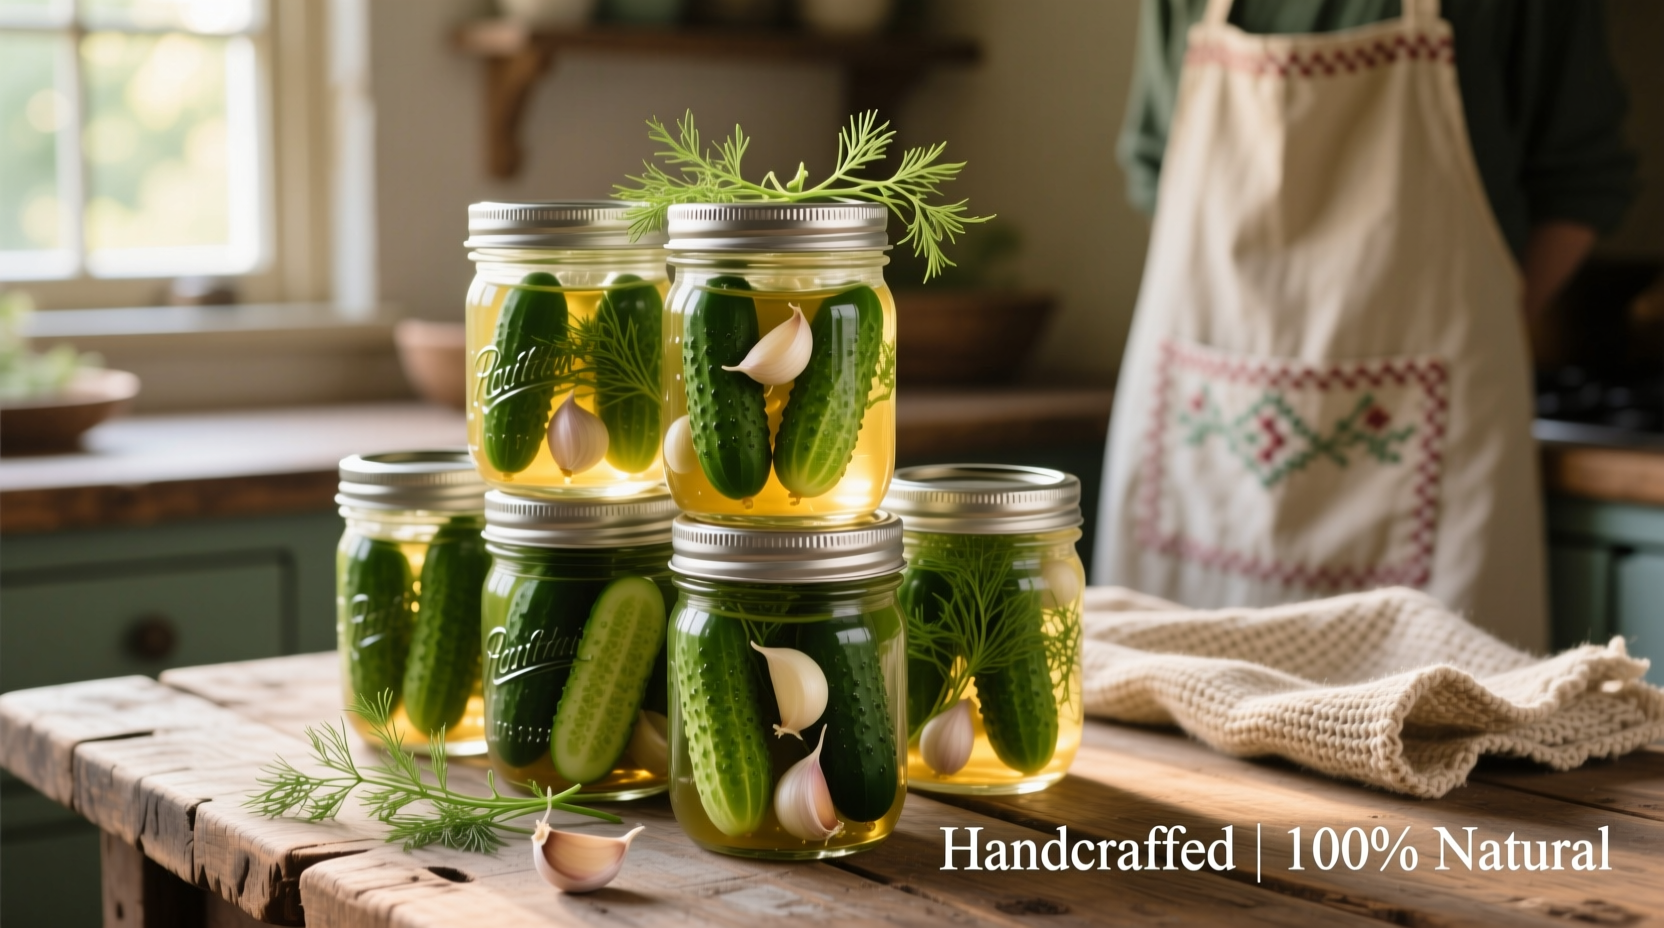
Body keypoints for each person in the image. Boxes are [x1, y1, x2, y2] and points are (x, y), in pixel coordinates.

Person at [1095, 0, 1636, 650]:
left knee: (1439, 728)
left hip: (1441, 440)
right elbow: (1157, 164)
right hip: (1208, 450)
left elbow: (1581, 181)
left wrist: (1485, 319)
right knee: (1166, 716)